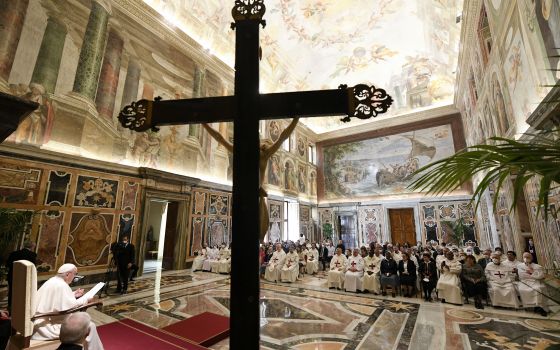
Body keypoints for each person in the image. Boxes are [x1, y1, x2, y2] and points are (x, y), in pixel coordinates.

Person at [202, 119, 299, 242]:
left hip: (253, 196)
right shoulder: (243, 152)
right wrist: (204, 124)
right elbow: (219, 138)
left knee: (255, 231)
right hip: (244, 194)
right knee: (244, 231)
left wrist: (296, 119)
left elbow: (283, 136)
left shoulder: (263, 154)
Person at [33, 264, 104, 350]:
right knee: (89, 326)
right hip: (48, 327)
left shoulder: (53, 280)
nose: (74, 277)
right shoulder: (62, 285)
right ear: (67, 274)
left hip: (38, 322)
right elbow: (71, 308)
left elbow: (58, 299)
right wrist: (86, 299)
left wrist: (73, 294)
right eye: (74, 274)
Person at [5, 241, 37, 312]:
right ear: (32, 247)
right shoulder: (32, 255)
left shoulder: (14, 253)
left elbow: (7, 265)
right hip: (25, 277)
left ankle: (10, 307)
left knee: (11, 292)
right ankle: (21, 308)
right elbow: (33, 267)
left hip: (12, 276)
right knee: (23, 292)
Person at [517, 252, 548, 316]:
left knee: (537, 289)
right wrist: (532, 274)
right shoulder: (519, 266)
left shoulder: (537, 266)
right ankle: (528, 305)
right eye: (524, 257)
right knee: (522, 289)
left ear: (531, 258)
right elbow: (522, 276)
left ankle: (539, 307)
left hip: (535, 281)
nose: (526, 259)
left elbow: (541, 276)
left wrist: (532, 272)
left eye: (528, 257)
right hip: (524, 282)